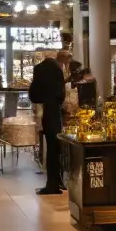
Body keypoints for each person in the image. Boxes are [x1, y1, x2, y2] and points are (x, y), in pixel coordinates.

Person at [28, 48, 68, 195]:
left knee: (51, 147)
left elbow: (33, 94)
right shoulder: (57, 70)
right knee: (55, 148)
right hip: (55, 111)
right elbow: (61, 94)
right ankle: (56, 181)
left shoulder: (39, 69)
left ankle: (52, 184)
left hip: (45, 110)